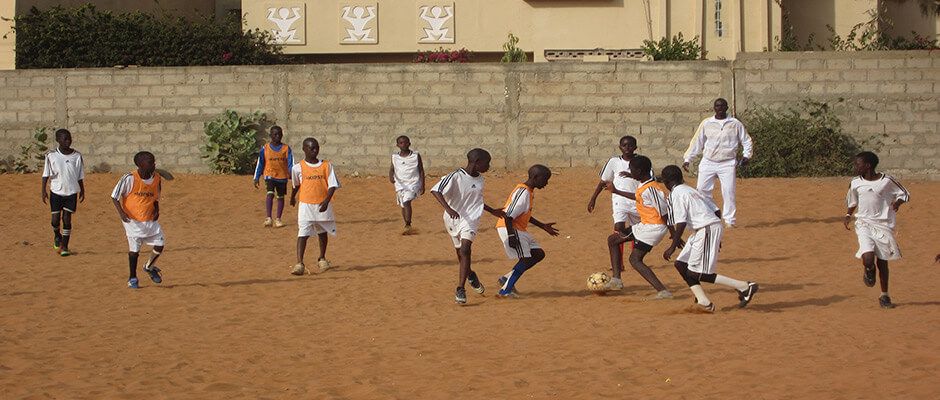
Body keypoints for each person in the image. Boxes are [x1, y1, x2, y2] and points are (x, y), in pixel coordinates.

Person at [661, 165, 758, 313]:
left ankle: (744, 286)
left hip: (705, 228)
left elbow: (681, 222)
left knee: (697, 273)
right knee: (681, 264)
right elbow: (716, 211)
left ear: (666, 181)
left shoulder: (676, 194)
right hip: (704, 229)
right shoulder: (691, 190)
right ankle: (703, 301)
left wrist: (672, 246)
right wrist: (716, 237)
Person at [430, 148, 504, 304]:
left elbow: (477, 201)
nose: (489, 166)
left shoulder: (480, 179)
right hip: (453, 219)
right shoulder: (455, 176)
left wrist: (492, 211)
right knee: (461, 255)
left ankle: (460, 289)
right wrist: (448, 209)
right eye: (487, 163)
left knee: (465, 250)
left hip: (471, 219)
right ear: (476, 162)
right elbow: (436, 190)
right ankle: (470, 274)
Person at [844, 151, 909, 309]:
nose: (855, 167)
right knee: (868, 258)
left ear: (868, 166)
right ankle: (869, 268)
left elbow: (905, 194)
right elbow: (852, 202)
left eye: (858, 164)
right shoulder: (855, 183)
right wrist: (848, 215)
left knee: (882, 262)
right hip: (863, 223)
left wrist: (897, 203)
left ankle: (884, 295)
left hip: (883, 225)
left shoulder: (887, 181)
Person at [605, 156, 675, 299]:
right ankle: (616, 280)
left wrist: (674, 235)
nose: (630, 172)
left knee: (635, 259)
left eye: (632, 170)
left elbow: (664, 213)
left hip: (653, 228)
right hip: (646, 226)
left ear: (639, 171)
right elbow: (638, 197)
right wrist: (616, 191)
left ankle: (662, 291)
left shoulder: (652, 189)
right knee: (613, 240)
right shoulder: (644, 184)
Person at [682, 98, 753, 227]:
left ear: (726, 108)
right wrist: (688, 159)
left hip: (727, 162)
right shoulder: (707, 123)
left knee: (728, 192)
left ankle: (729, 221)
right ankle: (709, 214)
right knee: (702, 190)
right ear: (714, 108)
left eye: (722, 106)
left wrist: (746, 156)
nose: (719, 108)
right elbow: (697, 142)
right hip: (708, 161)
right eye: (717, 106)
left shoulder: (735, 123)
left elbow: (746, 140)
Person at [587, 136, 646, 288]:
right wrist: (593, 198)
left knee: (637, 231)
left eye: (630, 145)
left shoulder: (641, 162)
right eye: (624, 145)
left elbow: (649, 178)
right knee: (619, 229)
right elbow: (603, 181)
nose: (627, 148)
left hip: (636, 201)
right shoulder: (614, 161)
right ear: (620, 147)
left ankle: (636, 257)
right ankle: (618, 265)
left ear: (635, 147)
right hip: (619, 202)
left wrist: (632, 176)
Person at [494, 165, 559, 298]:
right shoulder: (523, 193)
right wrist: (511, 235)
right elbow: (508, 216)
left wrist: (543, 226)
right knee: (526, 259)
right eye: (545, 179)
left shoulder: (529, 192)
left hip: (518, 228)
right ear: (535, 177)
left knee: (538, 254)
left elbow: (524, 213)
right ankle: (505, 291)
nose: (546, 183)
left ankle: (506, 279)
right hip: (510, 228)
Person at [111, 151, 165, 289]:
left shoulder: (157, 178)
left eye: (154, 162)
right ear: (140, 165)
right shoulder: (129, 178)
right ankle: (132, 278)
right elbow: (114, 196)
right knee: (134, 251)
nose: (154, 165)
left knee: (160, 244)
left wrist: (157, 210)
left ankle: (149, 267)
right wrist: (122, 213)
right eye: (150, 163)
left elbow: (156, 198)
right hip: (132, 221)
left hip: (149, 219)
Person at [289, 138, 340, 276]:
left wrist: (326, 201)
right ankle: (299, 263)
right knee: (303, 233)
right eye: (311, 148)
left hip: (322, 204)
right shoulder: (297, 168)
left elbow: (332, 185)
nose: (315, 150)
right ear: (304, 149)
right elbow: (296, 185)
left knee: (322, 231)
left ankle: (322, 258)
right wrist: (292, 197)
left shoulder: (327, 166)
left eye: (316, 147)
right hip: (305, 205)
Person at [41, 128, 85, 257]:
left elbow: (79, 175)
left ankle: (65, 246)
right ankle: (57, 235)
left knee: (67, 218)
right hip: (56, 191)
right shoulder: (51, 155)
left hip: (71, 192)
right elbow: (46, 174)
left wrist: (82, 189)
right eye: (65, 139)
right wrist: (43, 190)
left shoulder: (77, 156)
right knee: (55, 220)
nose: (68, 141)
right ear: (57, 140)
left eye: (69, 138)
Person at [253, 125, 294, 228]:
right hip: (269, 175)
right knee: (270, 193)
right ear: (270, 135)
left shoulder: (286, 148)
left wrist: (292, 174)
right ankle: (268, 218)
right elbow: (260, 163)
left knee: (280, 197)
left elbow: (290, 163)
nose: (277, 136)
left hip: (282, 176)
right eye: (275, 134)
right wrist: (256, 177)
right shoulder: (265, 148)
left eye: (279, 134)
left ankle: (278, 219)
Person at [388, 135, 425, 235]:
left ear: (409, 143)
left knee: (406, 201)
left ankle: (408, 224)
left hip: (413, 183)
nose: (403, 144)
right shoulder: (395, 157)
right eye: (401, 143)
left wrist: (422, 185)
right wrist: (391, 177)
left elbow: (421, 170)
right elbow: (392, 169)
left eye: (405, 142)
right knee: (403, 205)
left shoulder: (415, 155)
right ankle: (407, 224)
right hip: (400, 184)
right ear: (397, 145)